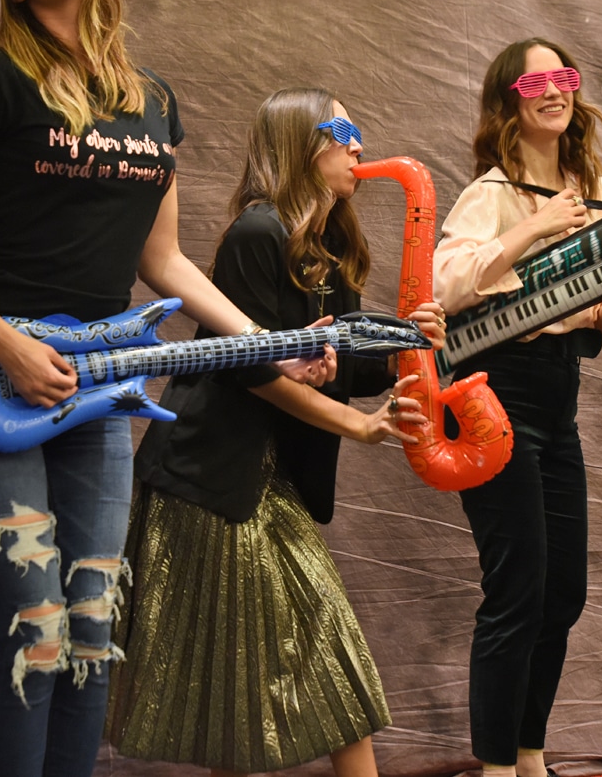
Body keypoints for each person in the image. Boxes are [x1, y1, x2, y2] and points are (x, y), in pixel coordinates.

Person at [0, 0, 330, 777]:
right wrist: (7, 341)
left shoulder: (150, 98)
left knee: (92, 638)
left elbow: (164, 263)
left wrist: (274, 341)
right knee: (35, 637)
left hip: (100, 384)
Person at [106, 88, 445, 777]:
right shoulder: (257, 233)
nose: (358, 145)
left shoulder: (332, 244)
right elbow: (255, 375)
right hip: (208, 485)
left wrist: (408, 345)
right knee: (236, 698)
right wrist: (361, 426)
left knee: (333, 670)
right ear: (299, 142)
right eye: (342, 130)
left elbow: (339, 364)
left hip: (268, 486)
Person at [433, 38, 602, 777]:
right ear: (510, 99)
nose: (553, 88)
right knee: (516, 589)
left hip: (560, 398)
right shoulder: (489, 192)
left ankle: (530, 757)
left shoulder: (595, 189)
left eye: (564, 76)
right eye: (536, 79)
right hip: (495, 394)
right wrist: (534, 226)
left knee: (563, 595)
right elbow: (450, 283)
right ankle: (495, 769)